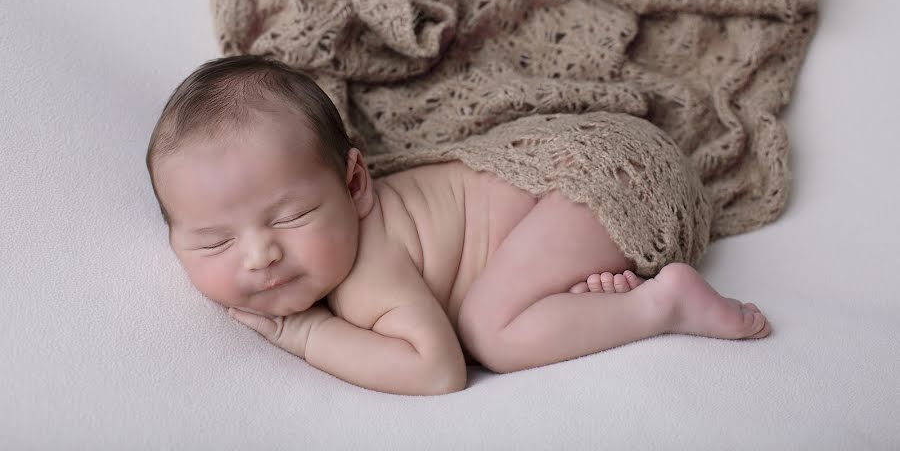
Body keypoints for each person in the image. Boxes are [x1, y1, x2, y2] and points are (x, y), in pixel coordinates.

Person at [145, 55, 771, 396]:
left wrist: (302, 335)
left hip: (607, 177)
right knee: (508, 300)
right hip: (587, 187)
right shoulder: (328, 240)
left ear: (356, 185)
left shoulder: (366, 271)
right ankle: (590, 291)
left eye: (292, 216)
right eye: (214, 242)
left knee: (490, 332)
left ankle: (665, 305)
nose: (260, 256)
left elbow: (437, 371)